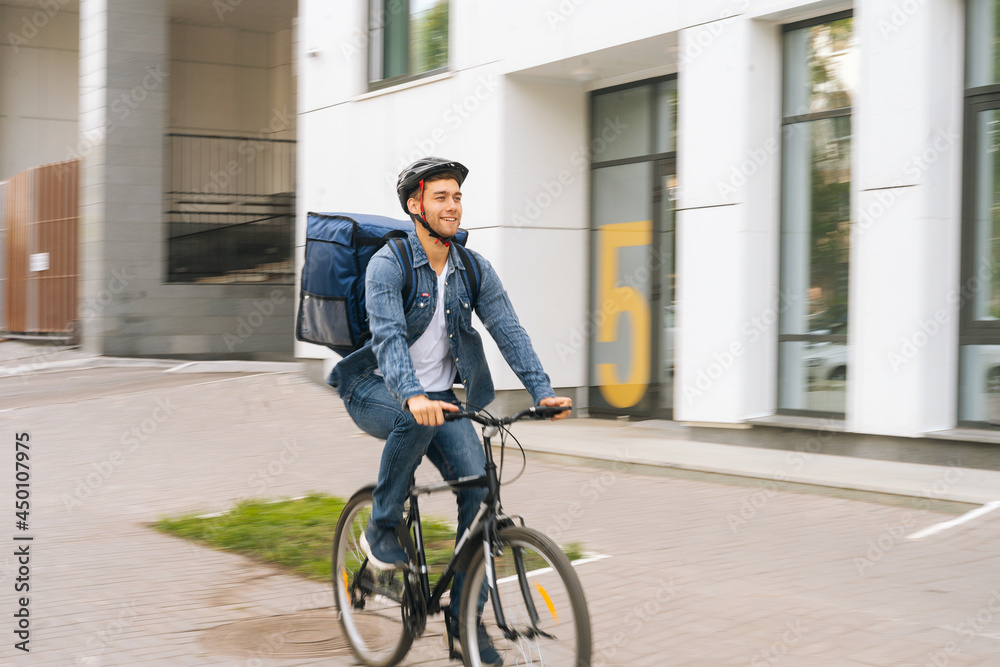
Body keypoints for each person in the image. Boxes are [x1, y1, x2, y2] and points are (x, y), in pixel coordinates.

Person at [328, 156, 571, 664]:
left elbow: (508, 327)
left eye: (457, 197)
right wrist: (413, 395)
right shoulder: (388, 264)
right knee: (408, 419)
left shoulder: (471, 267)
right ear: (415, 205)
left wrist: (540, 389)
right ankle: (380, 527)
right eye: (441, 197)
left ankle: (464, 624)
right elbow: (390, 337)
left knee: (480, 493)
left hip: (440, 401)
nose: (452, 206)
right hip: (377, 389)